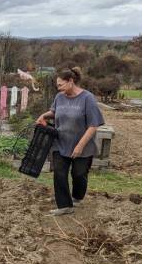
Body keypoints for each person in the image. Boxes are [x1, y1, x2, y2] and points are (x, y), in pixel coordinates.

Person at [36, 67, 105, 216]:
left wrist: (80, 146)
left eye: (61, 84)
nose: (58, 88)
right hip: (60, 142)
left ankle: (77, 197)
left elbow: (93, 125)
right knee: (59, 173)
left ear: (71, 81)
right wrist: (44, 116)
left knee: (79, 175)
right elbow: (55, 112)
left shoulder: (87, 98)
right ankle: (65, 205)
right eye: (57, 85)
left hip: (83, 146)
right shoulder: (59, 97)